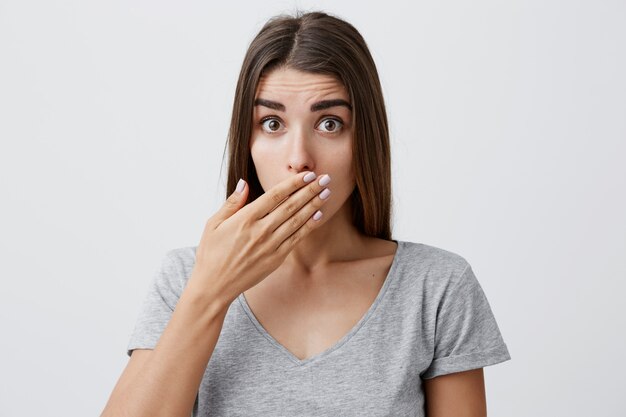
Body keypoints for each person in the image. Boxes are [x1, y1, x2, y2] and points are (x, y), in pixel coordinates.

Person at [101, 10, 511, 417]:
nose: (299, 159)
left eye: (330, 124)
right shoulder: (184, 279)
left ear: (365, 140)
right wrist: (210, 291)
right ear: (247, 140)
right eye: (273, 123)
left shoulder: (437, 288)